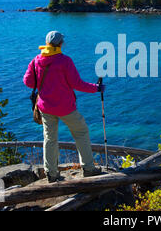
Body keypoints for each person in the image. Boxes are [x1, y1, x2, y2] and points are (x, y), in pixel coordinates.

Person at [23, 31, 105, 182]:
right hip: (65, 107)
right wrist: (97, 88)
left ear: (47, 43)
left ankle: (51, 174)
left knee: (49, 138)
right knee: (81, 132)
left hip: (46, 107)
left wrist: (46, 85)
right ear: (60, 44)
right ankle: (88, 168)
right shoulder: (64, 61)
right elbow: (77, 84)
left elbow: (28, 82)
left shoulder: (36, 60)